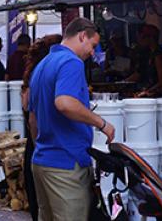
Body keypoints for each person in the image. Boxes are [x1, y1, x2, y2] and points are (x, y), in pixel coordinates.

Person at [27, 18, 113, 221]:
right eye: (92, 46)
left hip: (42, 162)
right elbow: (64, 103)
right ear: (82, 35)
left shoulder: (42, 65)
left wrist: (43, 147)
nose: (93, 52)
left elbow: (32, 119)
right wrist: (102, 123)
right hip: (66, 165)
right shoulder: (71, 62)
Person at [21, 34, 62, 221]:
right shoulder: (44, 75)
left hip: (35, 149)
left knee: (40, 208)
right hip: (41, 148)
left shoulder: (33, 74)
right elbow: (32, 120)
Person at [128, 24, 162, 92]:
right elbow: (139, 73)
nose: (139, 40)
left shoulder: (159, 55)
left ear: (151, 38)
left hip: (159, 95)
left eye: (142, 37)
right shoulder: (147, 53)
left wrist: (147, 92)